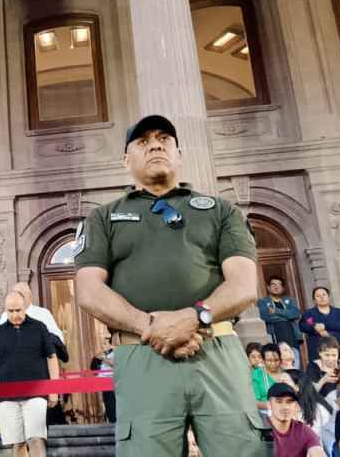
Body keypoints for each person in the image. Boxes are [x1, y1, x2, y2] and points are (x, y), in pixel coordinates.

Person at [75, 114, 266, 456]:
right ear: (126, 159)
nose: (156, 145)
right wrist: (151, 326)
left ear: (179, 154)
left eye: (164, 139)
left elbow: (243, 285)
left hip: (215, 348)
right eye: (143, 141)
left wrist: (192, 319)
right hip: (141, 352)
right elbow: (89, 290)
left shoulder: (221, 211)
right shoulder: (103, 218)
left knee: (240, 448)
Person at [0, 291, 59, 457]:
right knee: (17, 442)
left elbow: (52, 357)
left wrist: (54, 390)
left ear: (25, 307)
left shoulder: (39, 327)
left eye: (18, 310)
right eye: (10, 311)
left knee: (36, 439)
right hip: (7, 396)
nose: (15, 314)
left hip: (36, 393)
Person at [268, 383, 326, 457]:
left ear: (296, 406)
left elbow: (317, 450)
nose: (285, 407)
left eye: (289, 402)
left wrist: (316, 452)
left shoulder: (303, 431)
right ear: (269, 404)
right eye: (279, 401)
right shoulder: (259, 428)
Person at [258, 277, 303, 367]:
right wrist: (287, 316)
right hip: (275, 335)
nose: (276, 286)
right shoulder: (263, 302)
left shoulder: (290, 300)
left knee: (295, 362)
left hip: (292, 335)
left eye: (279, 284)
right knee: (277, 363)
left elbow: (295, 314)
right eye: (273, 284)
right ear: (268, 287)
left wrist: (276, 311)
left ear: (283, 288)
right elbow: (266, 316)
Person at [0, 282, 64, 341]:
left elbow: (58, 338)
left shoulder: (43, 313)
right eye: (14, 294)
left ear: (30, 296)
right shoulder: (5, 315)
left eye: (20, 294)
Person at [300, 286, 340, 362]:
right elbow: (304, 326)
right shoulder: (309, 313)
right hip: (318, 350)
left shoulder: (339, 312)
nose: (322, 297)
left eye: (324, 295)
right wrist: (315, 328)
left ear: (328, 297)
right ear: (314, 300)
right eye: (318, 296)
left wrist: (325, 326)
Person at [252, 343, 296, 409]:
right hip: (266, 412)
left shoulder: (287, 373)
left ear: (280, 359)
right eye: (269, 360)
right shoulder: (256, 375)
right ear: (263, 360)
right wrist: (272, 406)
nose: (273, 364)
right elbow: (255, 401)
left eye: (276, 360)